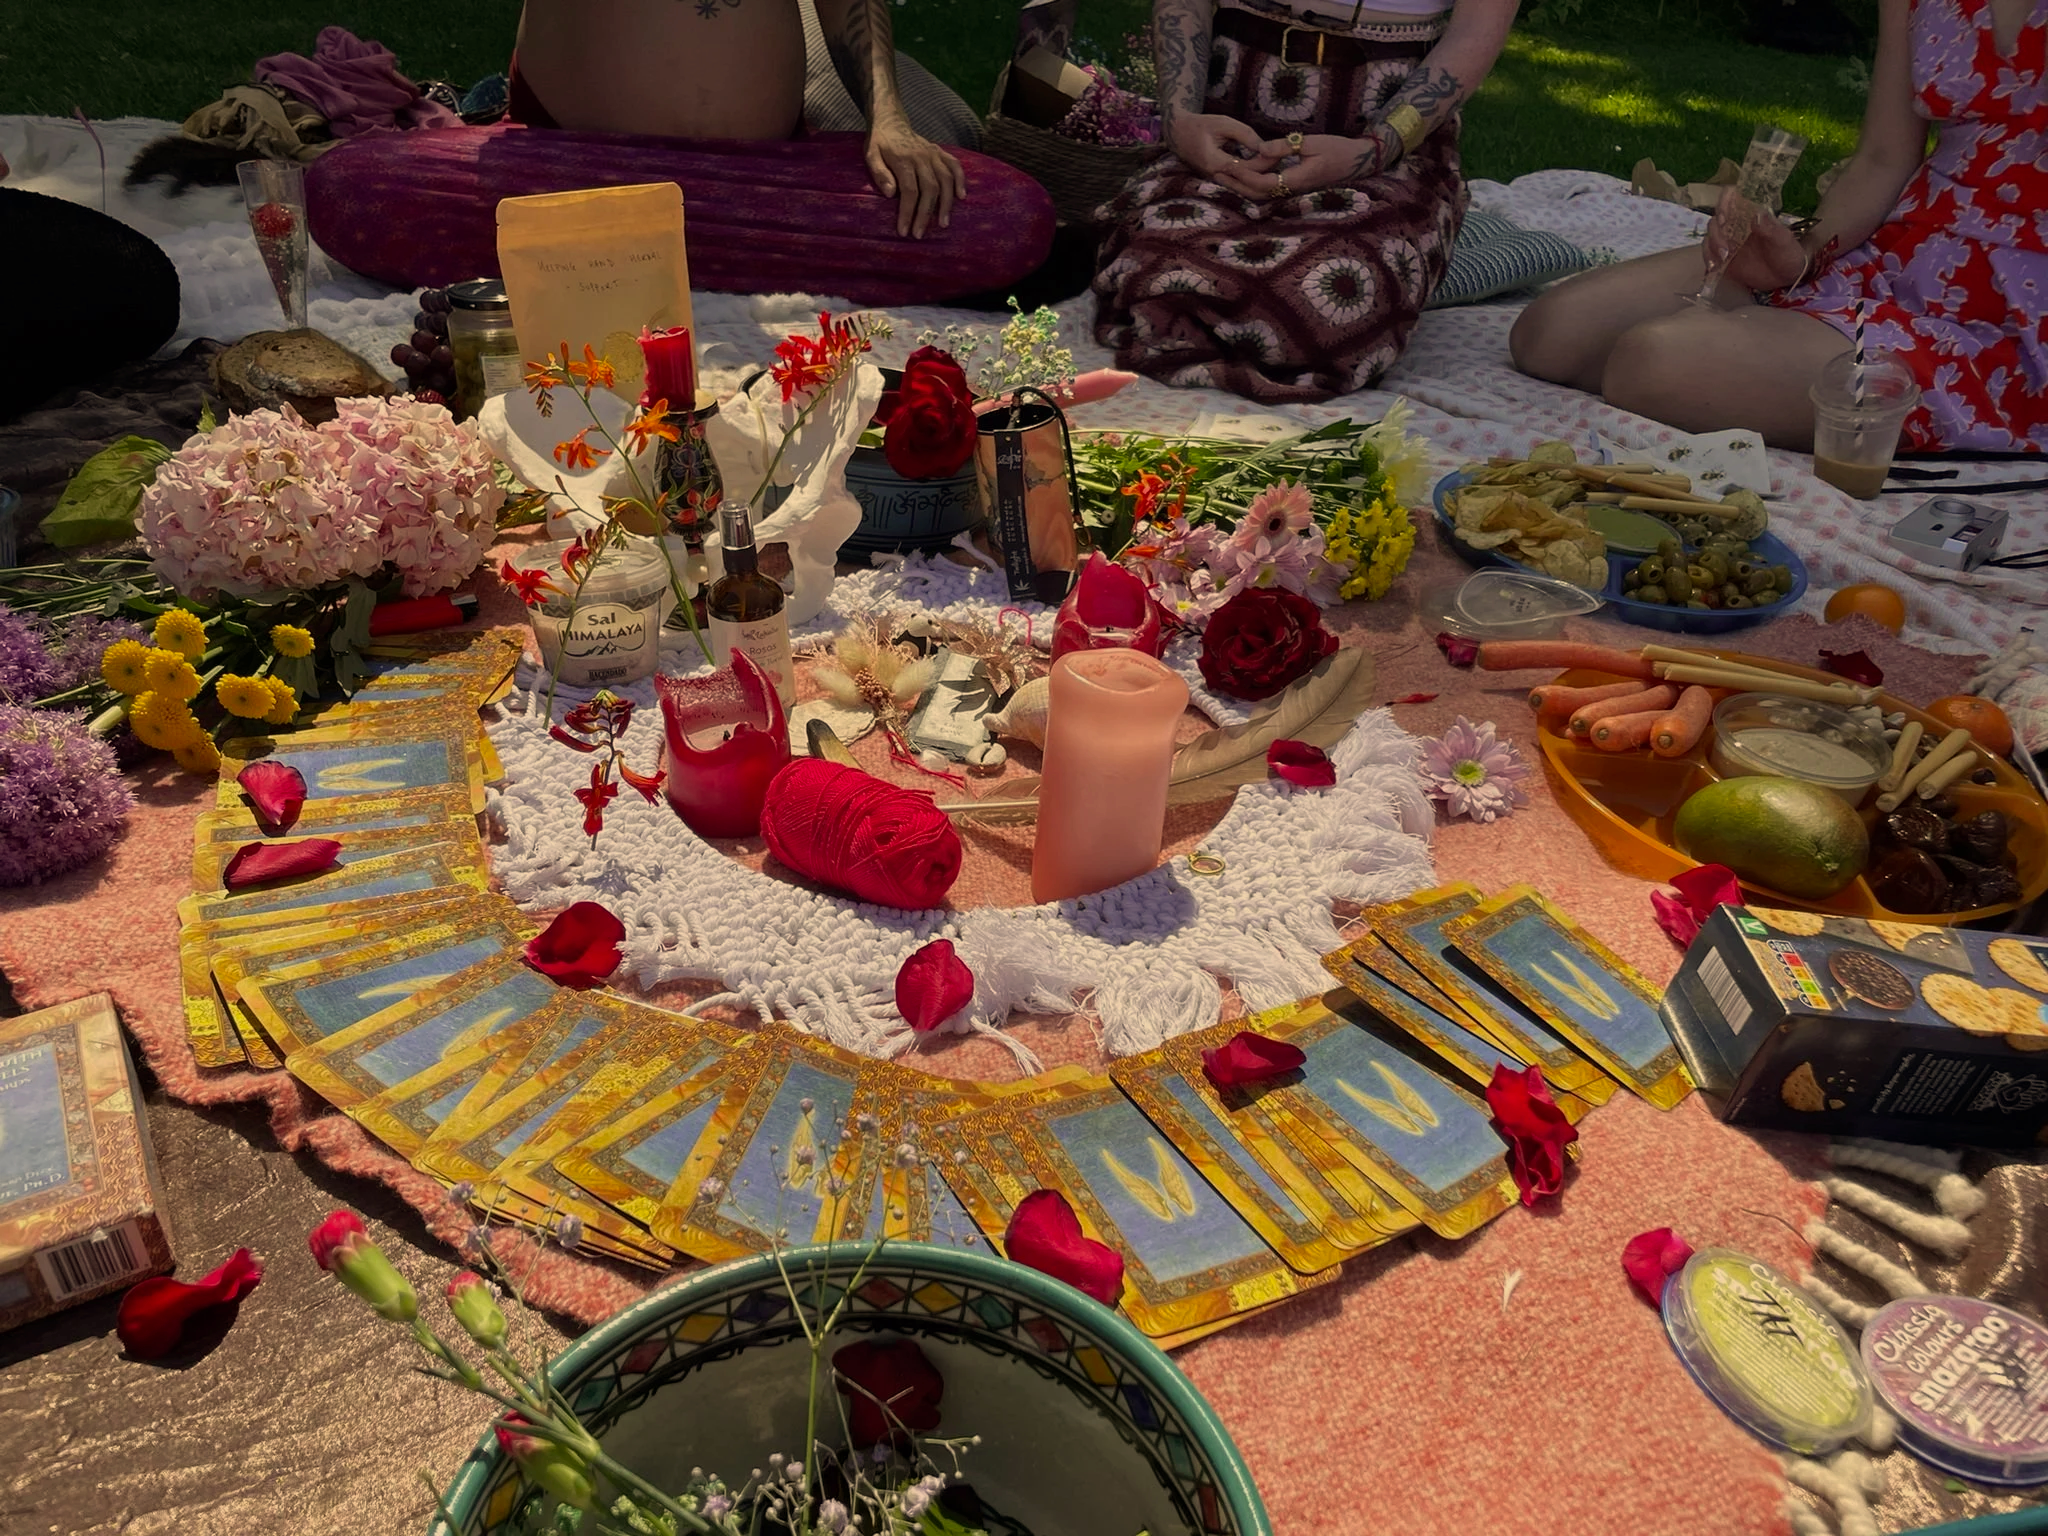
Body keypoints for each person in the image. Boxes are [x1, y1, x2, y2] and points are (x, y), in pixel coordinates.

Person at [1510, 0, 2047, 455]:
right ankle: (1777, 335)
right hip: (1899, 254)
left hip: (2016, 319)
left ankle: (1769, 347)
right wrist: (1804, 250)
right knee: (1551, 335)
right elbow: (1884, 158)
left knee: (1653, 363)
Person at [306, 0, 1056, 306]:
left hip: (765, 164)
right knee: (342, 186)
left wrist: (888, 119)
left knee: (1005, 212)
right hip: (567, 149)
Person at [1092, 0, 1517, 403]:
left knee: (1334, 295)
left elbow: (1475, 32)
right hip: (1228, 129)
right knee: (1161, 270)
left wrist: (1373, 149)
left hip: (1382, 150)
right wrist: (1181, 121)